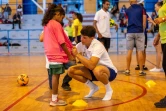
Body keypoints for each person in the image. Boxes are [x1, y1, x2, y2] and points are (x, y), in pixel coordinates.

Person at [68, 26, 117, 101]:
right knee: (71, 71)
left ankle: (109, 90)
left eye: (84, 37)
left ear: (92, 38)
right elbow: (72, 57)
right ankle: (93, 87)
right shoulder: (81, 44)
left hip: (109, 72)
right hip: (94, 71)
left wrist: (77, 55)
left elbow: (91, 66)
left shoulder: (98, 46)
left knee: (97, 70)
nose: (81, 39)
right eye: (81, 36)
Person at [41, 4, 75, 106]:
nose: (61, 20)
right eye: (61, 17)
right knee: (56, 76)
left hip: (50, 54)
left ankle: (54, 98)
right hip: (56, 53)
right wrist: (69, 55)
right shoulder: (55, 24)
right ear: (57, 14)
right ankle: (54, 100)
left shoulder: (47, 24)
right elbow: (62, 42)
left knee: (55, 76)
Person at [148, 0, 166, 108]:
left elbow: (163, 19)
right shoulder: (163, 3)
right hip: (164, 39)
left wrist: (163, 18)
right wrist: (158, 36)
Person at [123, 0, 146, 76]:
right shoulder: (142, 9)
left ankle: (127, 70)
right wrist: (142, 30)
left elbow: (125, 21)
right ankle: (141, 70)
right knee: (140, 51)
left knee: (129, 51)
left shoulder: (127, 10)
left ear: (130, 1)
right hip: (139, 31)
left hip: (130, 32)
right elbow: (144, 22)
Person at [148, 2, 163, 72]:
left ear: (159, 7)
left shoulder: (161, 14)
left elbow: (159, 27)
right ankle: (162, 66)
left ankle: (158, 67)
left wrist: (152, 22)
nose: (155, 8)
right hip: (161, 34)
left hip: (161, 35)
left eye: (155, 7)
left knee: (158, 51)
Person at [135, 3, 148, 71]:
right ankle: (139, 64)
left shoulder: (145, 14)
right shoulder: (136, 14)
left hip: (142, 34)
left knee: (143, 50)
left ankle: (143, 65)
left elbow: (146, 25)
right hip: (138, 33)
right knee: (138, 50)